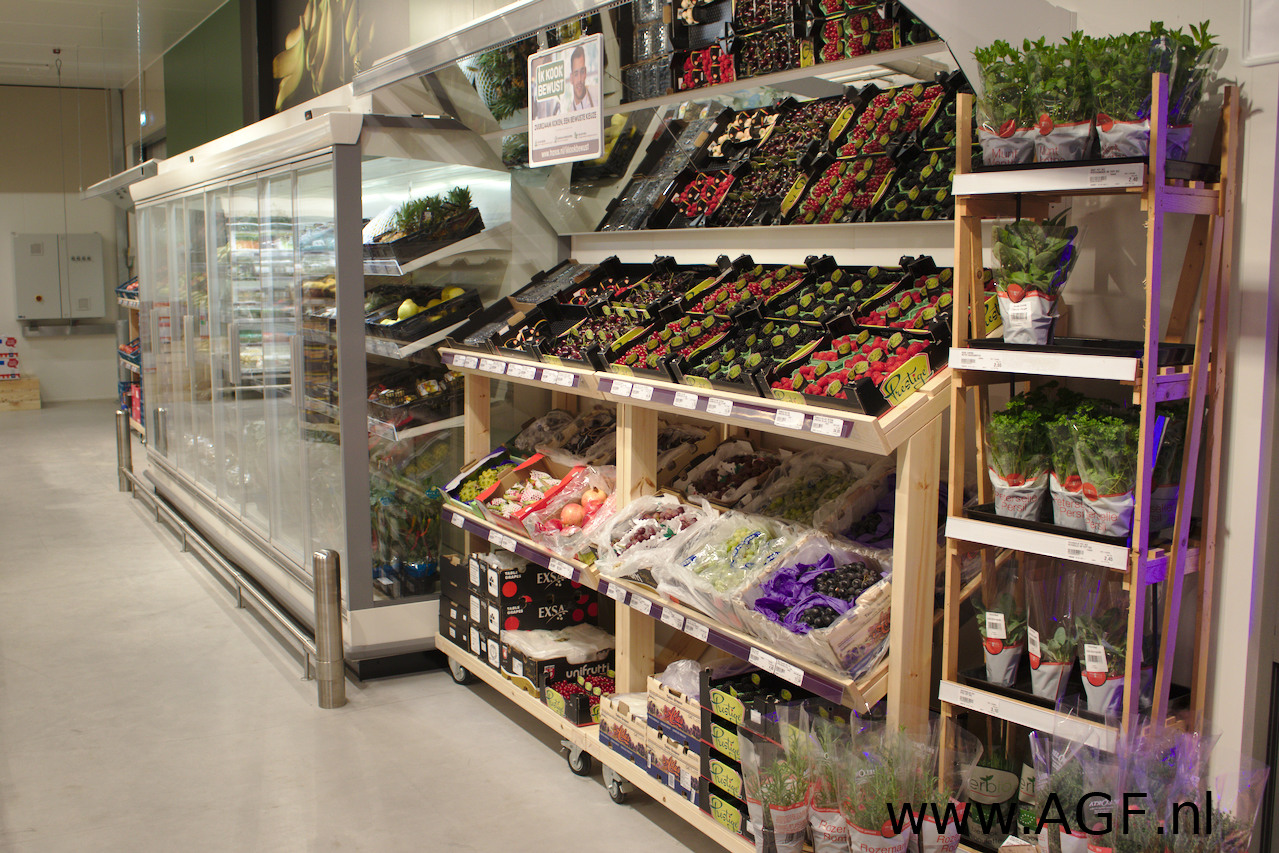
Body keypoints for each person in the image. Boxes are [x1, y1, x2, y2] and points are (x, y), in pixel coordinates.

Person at [569, 45, 594, 111]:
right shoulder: (570, 112)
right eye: (576, 74)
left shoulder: (596, 95)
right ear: (571, 78)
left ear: (585, 73)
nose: (579, 79)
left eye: (582, 72)